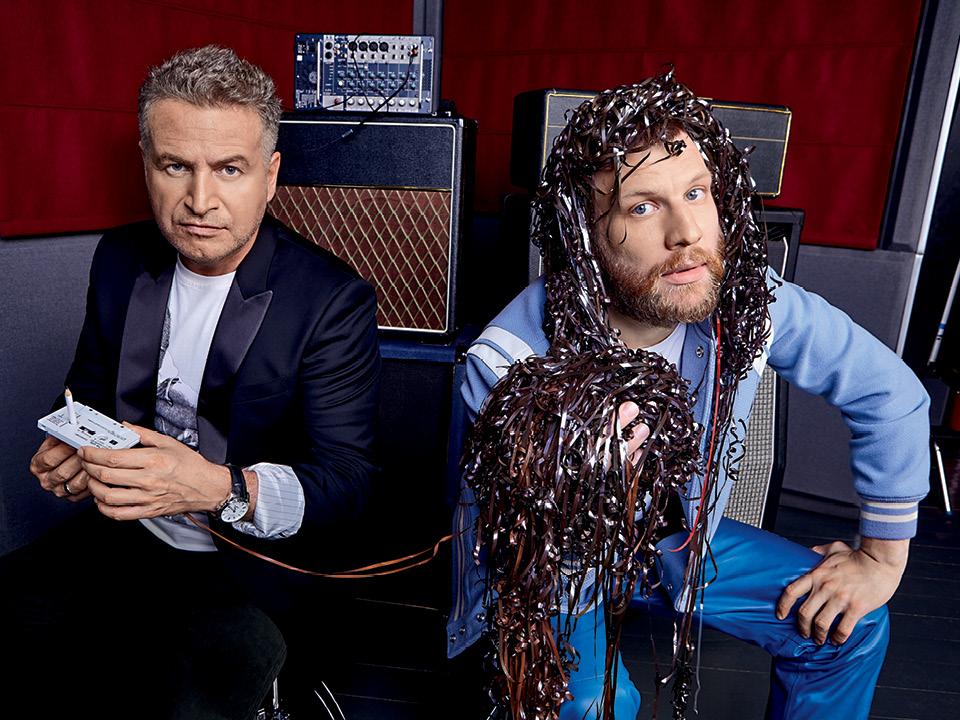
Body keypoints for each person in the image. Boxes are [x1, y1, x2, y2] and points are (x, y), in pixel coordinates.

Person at [448, 71, 929, 720]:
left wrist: (881, 559)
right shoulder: (506, 361)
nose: (687, 234)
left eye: (696, 193)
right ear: (584, 235)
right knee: (590, 703)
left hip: (677, 539)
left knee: (849, 625)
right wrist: (579, 453)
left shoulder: (747, 300)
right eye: (642, 207)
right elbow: (534, 542)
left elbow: (891, 393)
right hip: (555, 566)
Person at [1, 45, 380, 718]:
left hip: (246, 568)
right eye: (176, 166)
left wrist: (217, 487)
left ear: (269, 176)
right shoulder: (121, 258)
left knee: (189, 687)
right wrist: (68, 449)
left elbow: (346, 485)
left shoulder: (330, 299)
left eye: (229, 169)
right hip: (125, 538)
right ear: (147, 165)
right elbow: (84, 394)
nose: (199, 201)